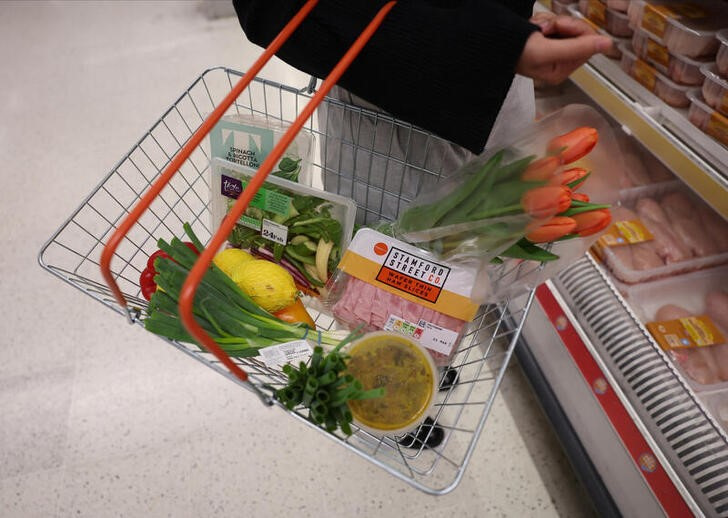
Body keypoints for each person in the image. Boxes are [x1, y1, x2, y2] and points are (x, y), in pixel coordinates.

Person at [231, 0, 613, 224]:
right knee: (388, 314)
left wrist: (509, 31)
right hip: (387, 98)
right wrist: (491, 43)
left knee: (467, 292)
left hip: (501, 78)